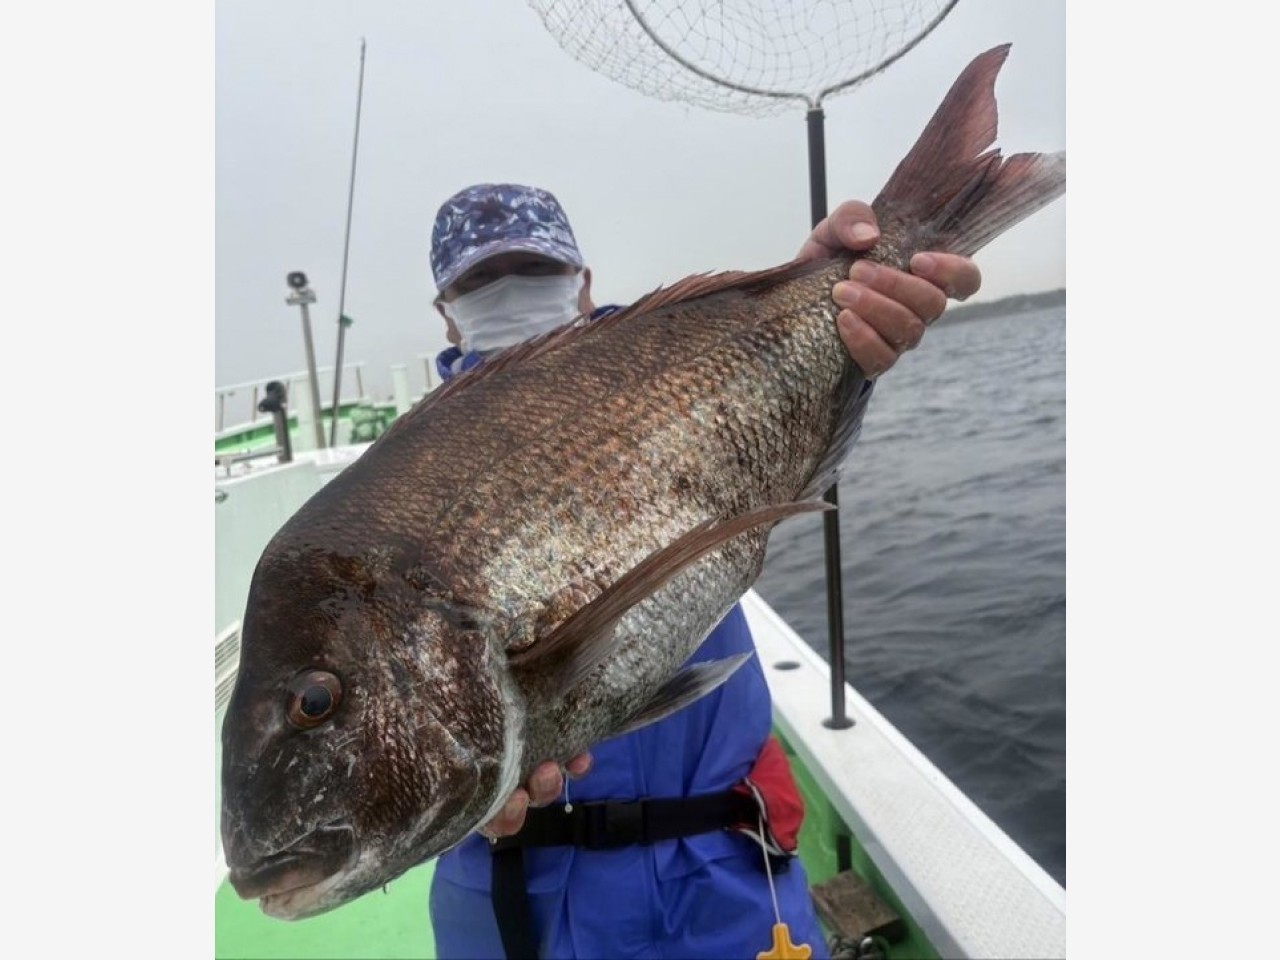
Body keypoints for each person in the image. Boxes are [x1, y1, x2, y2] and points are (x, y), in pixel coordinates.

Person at [426, 183, 980, 960]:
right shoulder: (404, 491)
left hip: (724, 866)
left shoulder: (663, 381)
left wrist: (828, 296)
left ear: (584, 284)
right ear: (445, 312)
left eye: (533, 270)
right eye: (480, 281)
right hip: (519, 890)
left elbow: (747, 396)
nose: (510, 294)